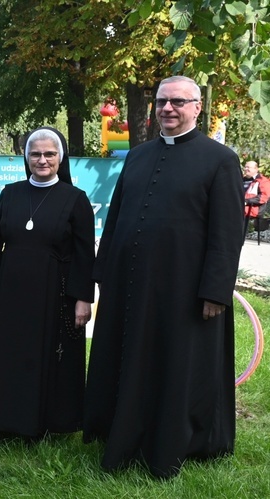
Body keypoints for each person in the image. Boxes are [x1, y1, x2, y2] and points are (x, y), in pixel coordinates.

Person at [83, 75, 244, 478]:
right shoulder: (137, 156)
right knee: (127, 357)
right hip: (130, 284)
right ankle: (123, 429)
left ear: (197, 108)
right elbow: (117, 215)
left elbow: (228, 233)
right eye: (161, 102)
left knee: (176, 364)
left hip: (183, 289)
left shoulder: (220, 160)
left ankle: (174, 438)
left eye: (177, 102)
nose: (167, 109)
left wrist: (215, 290)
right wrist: (103, 272)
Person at [0, 127, 94, 442]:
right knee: (7, 354)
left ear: (60, 158)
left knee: (45, 356)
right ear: (26, 158)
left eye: (49, 154)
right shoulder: (10, 193)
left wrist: (83, 298)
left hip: (55, 293)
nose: (42, 160)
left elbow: (84, 255)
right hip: (10, 290)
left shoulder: (75, 199)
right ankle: (1, 421)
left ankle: (42, 423)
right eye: (35, 154)